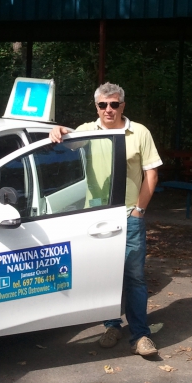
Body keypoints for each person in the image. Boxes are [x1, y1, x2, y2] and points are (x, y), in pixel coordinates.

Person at [50, 82, 162, 357]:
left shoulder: (139, 132)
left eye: (114, 104)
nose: (108, 109)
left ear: (122, 105)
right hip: (97, 219)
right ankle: (112, 326)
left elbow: (151, 174)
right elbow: (70, 140)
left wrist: (139, 210)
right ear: (96, 107)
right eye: (103, 105)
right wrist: (58, 130)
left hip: (129, 216)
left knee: (134, 277)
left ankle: (140, 335)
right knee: (104, 275)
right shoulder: (89, 130)